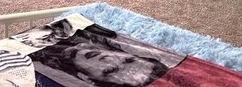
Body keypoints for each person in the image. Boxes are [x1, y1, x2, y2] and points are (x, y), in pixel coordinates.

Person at [30, 26, 177, 87]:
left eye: (110, 71)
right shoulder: (100, 35)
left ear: (86, 78)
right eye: (128, 60)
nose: (109, 60)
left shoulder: (37, 68)